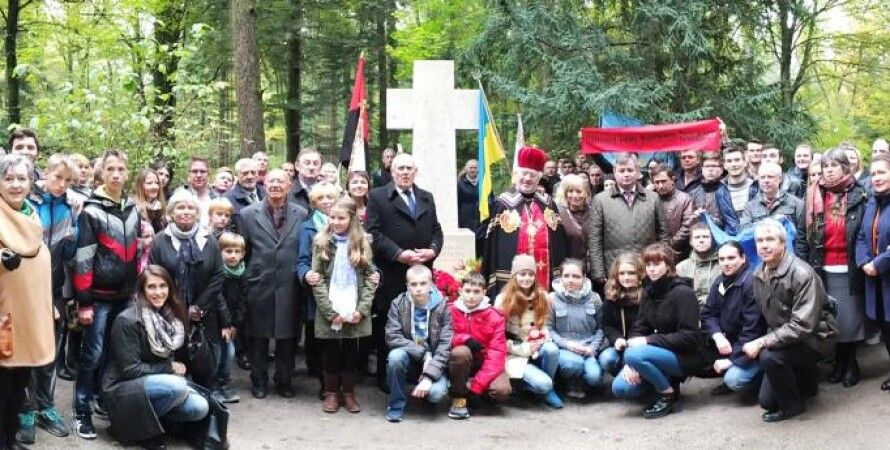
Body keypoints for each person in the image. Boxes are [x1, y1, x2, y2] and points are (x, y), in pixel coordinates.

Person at [72, 149, 142, 440]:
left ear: (127, 172)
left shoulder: (133, 207)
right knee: (92, 353)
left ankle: (103, 398)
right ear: (102, 172)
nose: (115, 174)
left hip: (125, 295)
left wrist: (136, 290)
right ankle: (81, 411)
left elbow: (136, 251)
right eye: (110, 169)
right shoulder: (91, 210)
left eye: (120, 169)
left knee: (115, 353)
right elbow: (84, 258)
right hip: (98, 297)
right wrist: (84, 301)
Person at [102, 265, 208, 450]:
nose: (158, 292)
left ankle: (158, 424)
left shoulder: (170, 316)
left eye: (162, 286)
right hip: (122, 387)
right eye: (151, 287)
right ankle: (136, 430)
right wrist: (170, 368)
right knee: (177, 386)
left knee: (200, 407)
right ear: (142, 290)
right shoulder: (127, 319)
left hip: (156, 383)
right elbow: (130, 370)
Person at [747, 219, 837, 422]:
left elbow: (803, 325)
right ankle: (808, 383)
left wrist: (762, 342)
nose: (764, 245)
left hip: (815, 339)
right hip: (786, 338)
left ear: (783, 242)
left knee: (768, 356)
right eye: (759, 240)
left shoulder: (802, 273)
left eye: (770, 239)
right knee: (766, 401)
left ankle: (792, 407)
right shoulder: (759, 272)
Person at [366, 152, 443, 389]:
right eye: (400, 168)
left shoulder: (426, 197)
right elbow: (373, 233)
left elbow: (437, 230)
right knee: (390, 325)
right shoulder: (377, 196)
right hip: (393, 273)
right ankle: (386, 377)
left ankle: (415, 373)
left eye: (409, 168)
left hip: (421, 272)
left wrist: (432, 250)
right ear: (392, 171)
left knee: (419, 323)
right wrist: (398, 253)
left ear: (415, 171)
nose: (405, 172)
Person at [18, 154, 79, 444]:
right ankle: (25, 409)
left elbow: (70, 254)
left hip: (54, 291)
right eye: (57, 177)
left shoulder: (71, 206)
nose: (61, 184)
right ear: (46, 173)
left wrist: (74, 232)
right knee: (27, 352)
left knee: (50, 352)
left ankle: (45, 405)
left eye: (67, 180)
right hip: (27, 289)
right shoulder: (30, 203)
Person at [611, 243, 704, 419]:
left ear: (668, 266)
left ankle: (667, 393)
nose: (651, 269)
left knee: (634, 355)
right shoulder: (649, 291)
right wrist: (631, 365)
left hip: (684, 356)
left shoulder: (684, 293)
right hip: (655, 353)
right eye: (648, 265)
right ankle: (660, 379)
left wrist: (647, 342)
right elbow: (638, 328)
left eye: (657, 264)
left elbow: (689, 337)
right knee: (620, 388)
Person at [0, 154, 55, 450]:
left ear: (30, 183)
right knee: (2, 390)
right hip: (3, 322)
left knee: (18, 390)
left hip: (29, 320)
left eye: (21, 178)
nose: (15, 184)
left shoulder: (32, 217)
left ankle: (8, 440)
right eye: (8, 178)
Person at [238, 169, 308, 399]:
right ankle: (259, 380)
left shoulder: (301, 213)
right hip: (259, 283)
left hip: (290, 284)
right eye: (271, 181)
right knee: (257, 338)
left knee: (287, 338)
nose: (276, 185)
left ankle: (284, 380)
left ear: (289, 185)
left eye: (281, 181)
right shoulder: (247, 214)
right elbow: (243, 251)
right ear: (264, 184)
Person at [803, 148, 869, 387]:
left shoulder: (861, 195)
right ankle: (840, 363)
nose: (828, 171)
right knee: (832, 319)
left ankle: (851, 363)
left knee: (850, 320)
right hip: (822, 267)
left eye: (834, 166)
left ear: (846, 168)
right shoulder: (815, 194)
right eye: (825, 166)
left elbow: (864, 231)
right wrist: (805, 263)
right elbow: (803, 233)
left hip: (849, 267)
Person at [148, 190, 225, 390]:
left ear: (197, 213)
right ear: (171, 213)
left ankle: (205, 399)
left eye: (191, 208)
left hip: (203, 314)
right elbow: (154, 275)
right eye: (180, 207)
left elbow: (218, 275)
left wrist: (199, 307)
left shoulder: (209, 240)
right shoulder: (160, 240)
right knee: (175, 366)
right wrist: (177, 308)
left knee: (204, 365)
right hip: (169, 313)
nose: (186, 211)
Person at [308, 198, 376, 414]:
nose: (336, 222)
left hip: (354, 306)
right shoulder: (321, 242)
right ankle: (331, 393)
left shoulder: (362, 243)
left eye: (341, 218)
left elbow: (370, 279)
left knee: (350, 352)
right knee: (330, 352)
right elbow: (317, 279)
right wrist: (329, 312)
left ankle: (348, 393)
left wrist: (362, 310)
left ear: (352, 219)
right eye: (332, 217)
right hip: (330, 306)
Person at [481, 146, 567, 298]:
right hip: (508, 276)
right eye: (524, 173)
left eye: (532, 175)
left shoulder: (548, 204)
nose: (527, 178)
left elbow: (559, 243)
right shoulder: (502, 204)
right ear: (516, 174)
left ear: (539, 178)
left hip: (544, 276)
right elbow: (492, 245)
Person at [384, 265, 452, 423]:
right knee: (395, 357)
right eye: (414, 284)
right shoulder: (398, 304)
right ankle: (396, 404)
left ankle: (428, 387)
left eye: (423, 283)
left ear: (431, 284)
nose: (419, 288)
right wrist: (423, 354)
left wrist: (429, 376)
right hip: (411, 356)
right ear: (407, 286)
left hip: (434, 361)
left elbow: (445, 346)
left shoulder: (443, 307)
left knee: (435, 395)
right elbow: (392, 336)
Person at [495, 254, 563, 409]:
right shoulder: (502, 300)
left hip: (537, 347)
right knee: (543, 383)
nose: (527, 278)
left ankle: (548, 390)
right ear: (514, 276)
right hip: (515, 352)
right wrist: (524, 349)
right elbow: (498, 338)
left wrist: (542, 339)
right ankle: (534, 387)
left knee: (552, 350)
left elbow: (545, 325)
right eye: (522, 274)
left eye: (530, 274)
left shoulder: (542, 296)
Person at [590, 152, 668, 284]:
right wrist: (598, 272)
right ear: (614, 172)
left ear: (637, 171)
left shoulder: (653, 198)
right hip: (615, 268)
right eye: (621, 171)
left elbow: (663, 234)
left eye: (630, 170)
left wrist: (663, 264)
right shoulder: (600, 200)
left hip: (647, 267)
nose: (626, 174)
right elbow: (594, 239)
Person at [701, 241, 766, 395]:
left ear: (743, 258)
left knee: (734, 380)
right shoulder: (720, 281)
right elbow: (708, 313)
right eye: (722, 259)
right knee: (694, 356)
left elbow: (753, 330)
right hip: (729, 340)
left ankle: (763, 380)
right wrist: (717, 336)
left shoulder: (751, 283)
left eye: (731, 258)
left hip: (753, 348)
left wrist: (732, 360)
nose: (726, 263)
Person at [296, 182, 341, 397]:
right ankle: (327, 385)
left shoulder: (348, 224)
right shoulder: (308, 227)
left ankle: (344, 384)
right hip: (318, 292)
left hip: (343, 290)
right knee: (322, 340)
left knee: (341, 339)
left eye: (330, 197)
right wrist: (306, 273)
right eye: (321, 198)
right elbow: (302, 260)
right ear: (314, 202)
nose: (326, 202)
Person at [446, 272, 510, 420]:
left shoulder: (495, 317)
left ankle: (475, 395)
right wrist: (464, 339)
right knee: (461, 352)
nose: (471, 296)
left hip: (485, 363)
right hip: (460, 363)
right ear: (460, 291)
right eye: (467, 291)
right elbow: (442, 337)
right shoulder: (449, 311)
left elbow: (496, 354)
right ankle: (458, 398)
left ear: (484, 292)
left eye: (476, 292)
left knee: (502, 391)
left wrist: (476, 388)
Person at [856, 154, 890, 391]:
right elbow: (861, 235)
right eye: (874, 173)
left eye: (882, 172)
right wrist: (864, 261)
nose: (877, 178)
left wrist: (878, 263)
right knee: (885, 328)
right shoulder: (871, 202)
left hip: (885, 273)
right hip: (875, 279)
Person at [548, 259, 605, 399]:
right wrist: (566, 344)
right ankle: (568, 381)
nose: (570, 280)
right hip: (565, 348)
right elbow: (548, 329)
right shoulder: (551, 299)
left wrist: (593, 348)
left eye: (576, 276)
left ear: (584, 277)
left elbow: (601, 328)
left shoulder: (595, 299)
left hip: (588, 348)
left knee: (595, 377)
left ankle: (584, 380)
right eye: (566, 276)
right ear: (560, 277)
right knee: (573, 364)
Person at [739, 162, 807, 257]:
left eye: (770, 177)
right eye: (762, 177)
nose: (766, 180)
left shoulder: (796, 204)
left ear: (780, 179)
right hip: (761, 258)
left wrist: (799, 260)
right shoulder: (750, 206)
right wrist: (772, 221)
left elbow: (802, 238)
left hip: (788, 258)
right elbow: (743, 232)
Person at [599, 253, 645, 378]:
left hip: (642, 346)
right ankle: (623, 374)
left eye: (631, 273)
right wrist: (616, 338)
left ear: (640, 274)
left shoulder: (647, 296)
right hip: (620, 345)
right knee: (606, 359)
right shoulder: (612, 296)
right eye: (622, 273)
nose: (626, 277)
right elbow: (606, 324)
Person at [215, 232, 246, 404]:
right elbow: (218, 299)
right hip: (217, 321)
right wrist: (225, 323)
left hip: (231, 322)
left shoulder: (242, 273)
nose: (233, 255)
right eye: (228, 251)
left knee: (228, 352)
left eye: (236, 251)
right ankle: (216, 385)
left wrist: (235, 324)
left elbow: (243, 300)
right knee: (223, 353)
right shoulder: (218, 273)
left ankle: (223, 384)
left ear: (242, 253)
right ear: (220, 252)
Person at [650, 163, 696, 256]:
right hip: (653, 252)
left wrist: (669, 246)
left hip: (678, 252)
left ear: (673, 180)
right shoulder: (650, 199)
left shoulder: (684, 199)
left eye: (663, 181)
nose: (660, 186)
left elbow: (687, 227)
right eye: (657, 182)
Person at [689, 153, 739, 235]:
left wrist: (708, 218)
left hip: (723, 237)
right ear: (702, 169)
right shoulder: (693, 193)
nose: (710, 169)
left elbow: (733, 223)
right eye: (707, 166)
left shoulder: (729, 191)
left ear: (721, 169)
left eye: (714, 166)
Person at [676, 223, 720, 307]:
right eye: (697, 237)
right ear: (691, 242)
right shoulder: (681, 268)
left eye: (705, 237)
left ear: (712, 240)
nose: (701, 240)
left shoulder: (722, 265)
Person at [554, 174, 591, 270]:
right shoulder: (558, 213)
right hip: (567, 268)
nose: (575, 195)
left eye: (579, 191)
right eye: (570, 191)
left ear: (586, 193)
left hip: (590, 269)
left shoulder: (594, 212)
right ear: (565, 193)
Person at [173, 157, 218, 226]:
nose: (199, 175)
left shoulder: (217, 198)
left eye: (202, 171)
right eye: (195, 171)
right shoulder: (179, 196)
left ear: (208, 174)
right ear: (189, 174)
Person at [224, 158, 265, 233]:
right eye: (245, 173)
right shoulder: (227, 199)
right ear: (237, 175)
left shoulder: (267, 194)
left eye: (253, 172)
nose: (250, 177)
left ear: (257, 174)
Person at [722, 144, 756, 216]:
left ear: (745, 163)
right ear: (724, 165)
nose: (733, 164)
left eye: (737, 160)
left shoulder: (756, 187)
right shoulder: (720, 192)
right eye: (729, 161)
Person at [457, 159, 479, 230]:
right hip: (465, 218)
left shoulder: (483, 182)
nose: (473, 170)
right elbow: (457, 203)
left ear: (478, 169)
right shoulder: (460, 183)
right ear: (466, 169)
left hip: (480, 218)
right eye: (471, 168)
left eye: (475, 168)